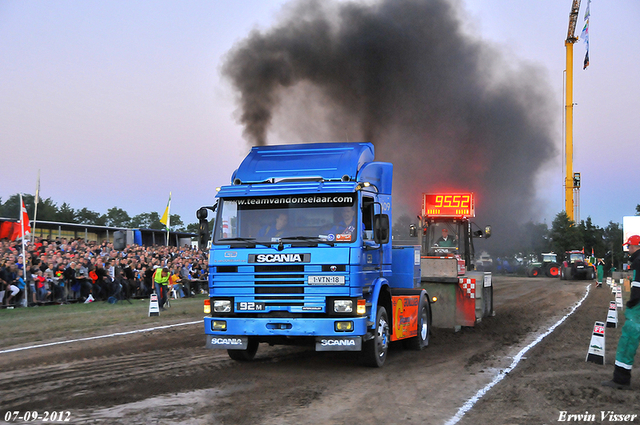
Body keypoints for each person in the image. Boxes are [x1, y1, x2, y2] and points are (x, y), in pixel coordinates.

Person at [602, 235, 640, 390]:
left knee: (628, 339)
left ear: (634, 246)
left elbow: (638, 288)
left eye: (629, 246)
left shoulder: (638, 261)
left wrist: (631, 304)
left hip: (638, 308)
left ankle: (621, 378)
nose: (628, 250)